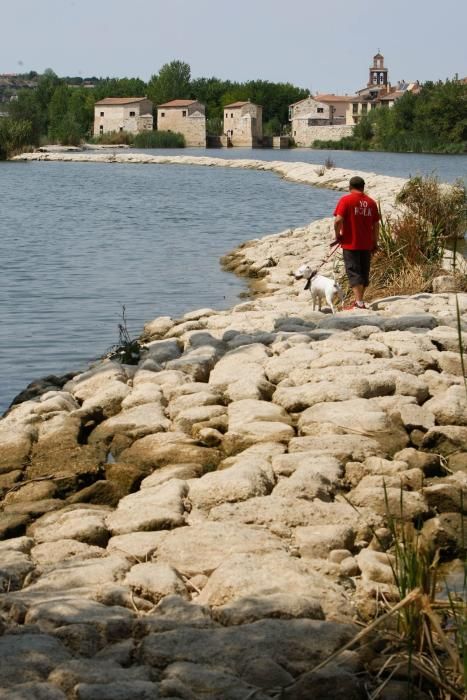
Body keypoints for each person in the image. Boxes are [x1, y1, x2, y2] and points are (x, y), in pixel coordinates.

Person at [333, 175, 380, 309]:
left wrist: (338, 236)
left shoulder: (345, 200)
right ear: (363, 187)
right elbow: (376, 225)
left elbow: (338, 220)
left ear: (350, 188)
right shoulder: (371, 203)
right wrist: (375, 242)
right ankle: (360, 300)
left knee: (353, 271)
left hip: (350, 243)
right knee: (364, 271)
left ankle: (359, 302)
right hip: (366, 243)